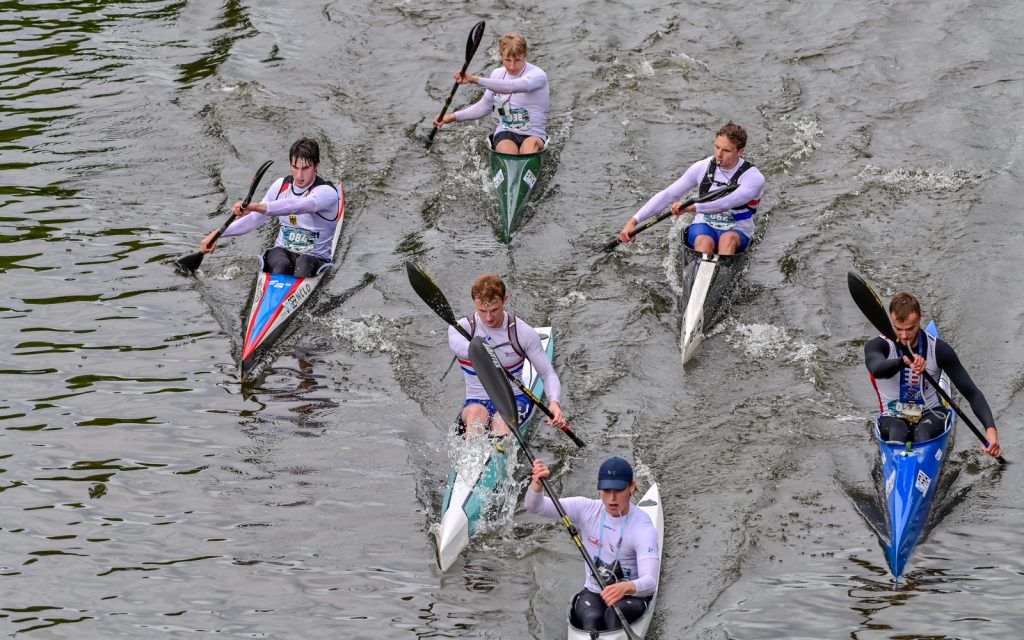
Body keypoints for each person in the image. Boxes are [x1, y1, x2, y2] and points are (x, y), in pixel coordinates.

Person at [525, 457, 660, 633]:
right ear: (599, 489)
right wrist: (537, 484)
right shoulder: (586, 509)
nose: (612, 498)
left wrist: (626, 587)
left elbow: (650, 582)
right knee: (591, 618)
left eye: (618, 490)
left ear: (632, 487)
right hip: (594, 592)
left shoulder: (642, 527)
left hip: (631, 597)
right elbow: (534, 507)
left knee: (613, 617)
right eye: (606, 490)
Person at [864, 292, 1002, 458]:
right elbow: (876, 369)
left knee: (923, 434)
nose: (905, 336)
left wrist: (991, 431)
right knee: (897, 432)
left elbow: (972, 394)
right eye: (898, 329)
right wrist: (903, 361)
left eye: (911, 328)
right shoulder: (878, 346)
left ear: (920, 318)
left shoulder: (938, 350)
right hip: (892, 416)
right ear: (891, 322)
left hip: (931, 413)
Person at [200, 138, 341, 278]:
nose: (299, 175)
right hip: (283, 251)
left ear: (316, 166)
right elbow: (254, 220)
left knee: (304, 263)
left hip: (314, 258)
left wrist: (254, 206)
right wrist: (218, 233)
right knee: (281, 266)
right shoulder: (280, 186)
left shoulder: (326, 193)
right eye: (295, 167)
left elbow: (295, 206)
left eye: (305, 168)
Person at [618, 121, 765, 255]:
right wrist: (633, 221)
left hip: (737, 231)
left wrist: (691, 208)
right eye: (717, 147)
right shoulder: (702, 167)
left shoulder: (753, 178)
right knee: (703, 242)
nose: (719, 154)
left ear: (740, 152)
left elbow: (726, 203)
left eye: (726, 150)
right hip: (704, 226)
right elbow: (668, 195)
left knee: (727, 240)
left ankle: (723, 269)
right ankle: (700, 272)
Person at [448, 273, 565, 438]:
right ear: (474, 303)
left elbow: (547, 373)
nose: (489, 317)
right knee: (475, 415)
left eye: (494, 310)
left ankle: (500, 445)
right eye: (482, 311)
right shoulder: (460, 329)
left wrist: (554, 403)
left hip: (514, 399)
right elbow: (465, 349)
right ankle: (473, 451)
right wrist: (485, 352)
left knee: (501, 423)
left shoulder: (522, 333)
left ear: (505, 300)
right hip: (476, 400)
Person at [432, 32, 549, 155]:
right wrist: (451, 117)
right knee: (506, 149)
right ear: (501, 56)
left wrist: (474, 79)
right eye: (507, 60)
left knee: (530, 145)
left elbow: (511, 87)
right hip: (506, 133)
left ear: (525, 55)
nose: (512, 66)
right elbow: (484, 107)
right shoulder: (497, 74)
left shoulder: (537, 75)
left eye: (517, 60)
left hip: (533, 135)